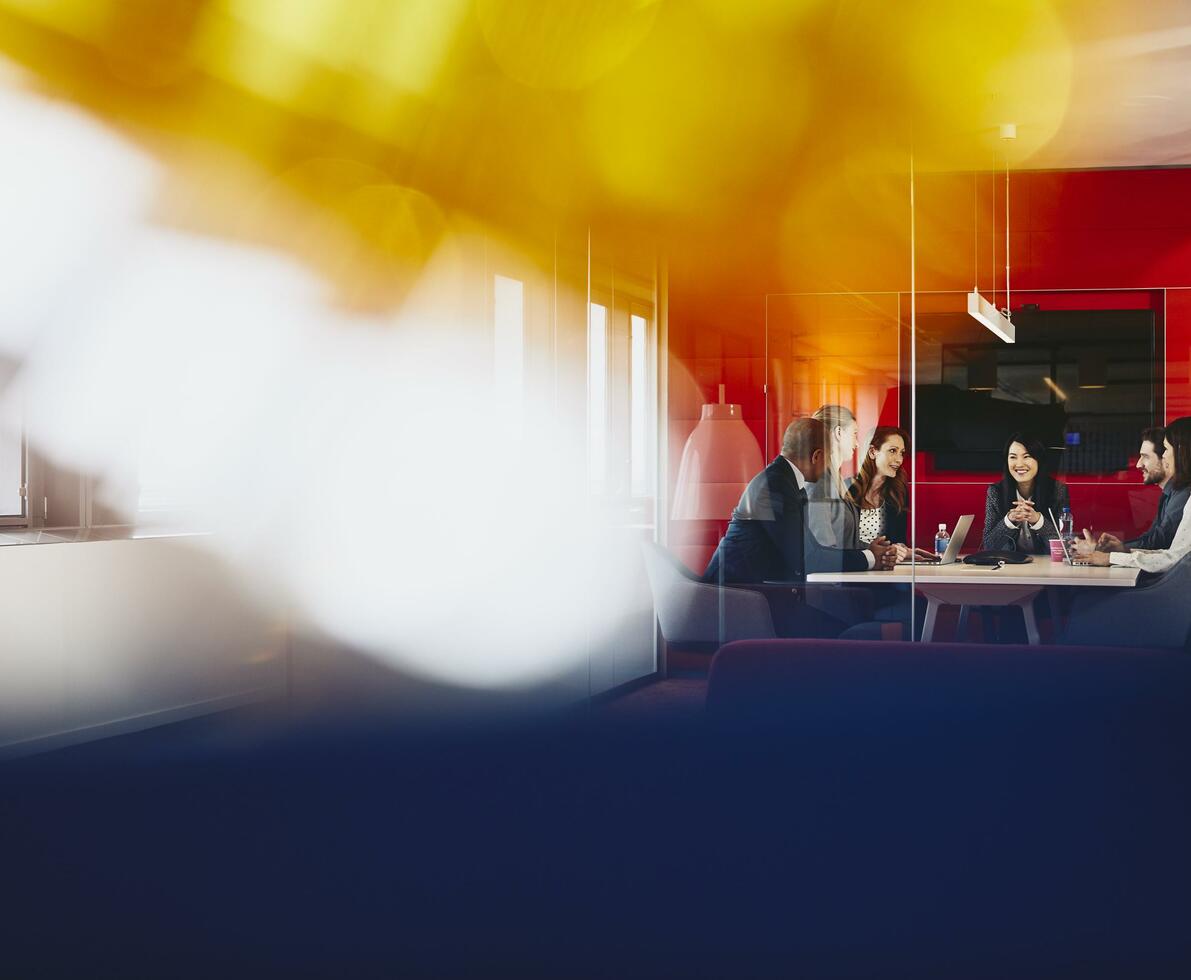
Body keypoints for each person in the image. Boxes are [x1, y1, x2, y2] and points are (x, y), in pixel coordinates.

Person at [703, 417, 898, 586]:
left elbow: (809, 549)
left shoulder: (783, 480)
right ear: (817, 456)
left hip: (753, 590)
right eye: (828, 458)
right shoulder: (775, 486)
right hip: (733, 597)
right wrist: (871, 557)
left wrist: (869, 551)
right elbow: (808, 558)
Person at [1075, 417, 1191, 572]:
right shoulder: (1169, 495)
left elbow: (1168, 552)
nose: (1138, 464)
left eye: (1166, 449)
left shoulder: (1184, 494)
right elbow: (1163, 548)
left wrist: (1110, 556)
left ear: (1181, 452)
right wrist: (1119, 551)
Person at [847, 426, 937, 562]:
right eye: (892, 451)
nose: (899, 459)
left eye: (902, 453)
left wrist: (903, 549)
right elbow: (841, 546)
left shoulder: (898, 490)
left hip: (887, 568)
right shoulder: (847, 489)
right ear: (872, 452)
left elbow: (898, 539)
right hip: (855, 567)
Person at [981, 433, 1070, 554]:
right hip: (1009, 567)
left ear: (1039, 459)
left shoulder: (1057, 491)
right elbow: (988, 545)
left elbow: (1063, 548)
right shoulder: (996, 492)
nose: (1019, 464)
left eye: (1026, 456)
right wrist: (1009, 520)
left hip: (1047, 567)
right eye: (1013, 457)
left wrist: (1038, 521)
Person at [806, 404, 860, 550]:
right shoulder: (819, 483)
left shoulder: (834, 480)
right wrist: (871, 556)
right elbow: (823, 549)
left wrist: (888, 550)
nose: (857, 443)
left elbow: (846, 542)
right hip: (830, 572)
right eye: (854, 433)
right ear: (839, 433)